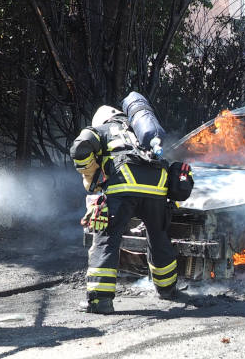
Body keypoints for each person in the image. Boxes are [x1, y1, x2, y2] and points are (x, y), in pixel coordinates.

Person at [70, 104, 180, 314]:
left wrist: (91, 173)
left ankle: (100, 300)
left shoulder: (101, 130)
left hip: (123, 187)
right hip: (157, 188)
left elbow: (80, 147)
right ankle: (167, 290)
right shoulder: (140, 131)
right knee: (159, 238)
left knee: (106, 240)